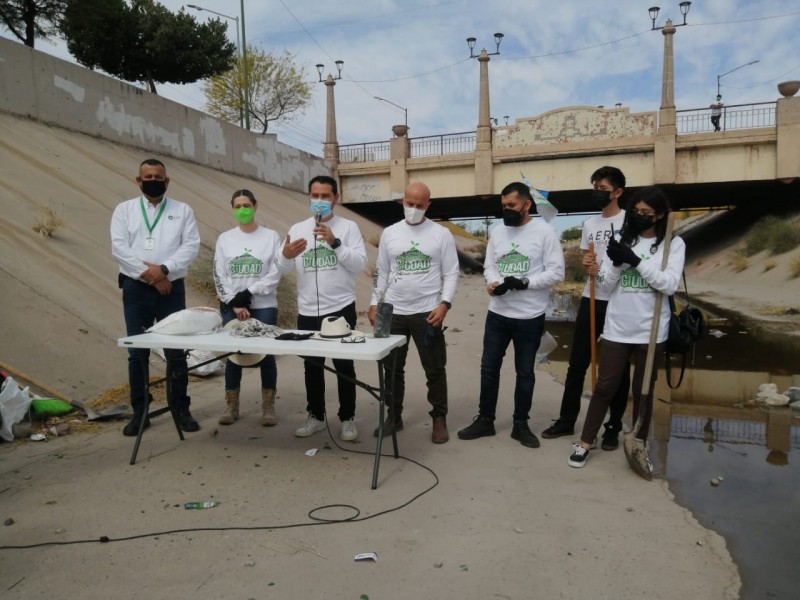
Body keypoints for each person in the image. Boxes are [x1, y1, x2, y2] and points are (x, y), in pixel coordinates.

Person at [568, 186, 685, 468]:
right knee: (605, 386)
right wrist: (615, 264)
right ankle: (585, 441)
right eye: (636, 211)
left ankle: (638, 442)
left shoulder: (673, 244)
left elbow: (668, 284)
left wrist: (635, 261)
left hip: (652, 331)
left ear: (658, 215)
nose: (640, 216)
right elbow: (606, 284)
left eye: (647, 213)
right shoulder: (622, 239)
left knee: (643, 390)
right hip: (618, 327)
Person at [457, 182, 564, 448]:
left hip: (530, 317)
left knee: (525, 372)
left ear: (527, 205)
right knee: (489, 368)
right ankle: (485, 420)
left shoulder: (545, 232)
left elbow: (556, 272)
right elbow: (490, 266)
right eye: (503, 206)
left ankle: (520, 424)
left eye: (512, 206)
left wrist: (526, 283)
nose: (507, 210)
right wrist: (493, 283)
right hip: (498, 315)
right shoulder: (498, 232)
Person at [542, 166, 630, 450]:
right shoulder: (590, 225)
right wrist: (587, 266)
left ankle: (613, 427)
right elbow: (586, 257)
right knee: (577, 363)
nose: (597, 192)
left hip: (620, 302)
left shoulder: (630, 222)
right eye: (594, 186)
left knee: (616, 370)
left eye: (602, 188)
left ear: (618, 192)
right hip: (591, 298)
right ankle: (567, 420)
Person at [111, 158, 201, 436]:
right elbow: (119, 247)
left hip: (171, 290)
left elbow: (191, 245)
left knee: (176, 351)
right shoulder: (124, 210)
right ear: (138, 181)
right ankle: (141, 410)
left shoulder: (182, 210)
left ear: (167, 181)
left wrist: (164, 270)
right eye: (147, 176)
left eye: (158, 176)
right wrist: (149, 275)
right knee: (137, 352)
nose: (153, 180)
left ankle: (180, 407)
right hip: (136, 289)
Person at [277, 175, 367, 441]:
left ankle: (347, 418)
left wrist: (335, 243)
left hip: (340, 308)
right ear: (308, 196)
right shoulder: (298, 228)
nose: (319, 201)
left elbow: (360, 264)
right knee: (312, 367)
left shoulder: (349, 227)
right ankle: (315, 416)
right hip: (307, 311)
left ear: (335, 199)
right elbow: (280, 269)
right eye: (315, 195)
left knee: (344, 366)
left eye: (325, 196)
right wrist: (286, 256)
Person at [368, 181, 459, 444]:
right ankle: (393, 416)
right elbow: (381, 271)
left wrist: (444, 304)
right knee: (392, 369)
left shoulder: (440, 234)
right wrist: (374, 302)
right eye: (410, 204)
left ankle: (439, 418)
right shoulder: (390, 233)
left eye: (420, 205)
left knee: (434, 368)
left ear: (428, 205)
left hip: (427, 313)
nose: (414, 209)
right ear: (402, 202)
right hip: (393, 312)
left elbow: (451, 272)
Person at [213, 189, 283, 427]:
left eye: (246, 205)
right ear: (232, 208)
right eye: (237, 205)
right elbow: (219, 273)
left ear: (255, 206)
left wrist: (250, 294)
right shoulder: (225, 239)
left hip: (264, 305)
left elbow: (275, 272)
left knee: (266, 355)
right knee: (233, 355)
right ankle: (231, 406)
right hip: (232, 307)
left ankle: (268, 406)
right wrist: (234, 302)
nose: (242, 209)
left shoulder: (271, 237)